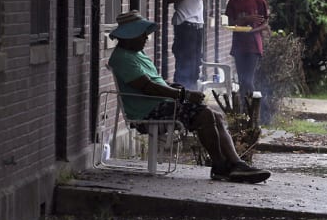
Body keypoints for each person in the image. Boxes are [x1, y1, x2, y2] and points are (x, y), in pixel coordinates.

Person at [107, 10, 271, 184]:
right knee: (204, 115)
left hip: (161, 104)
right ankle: (220, 166)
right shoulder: (122, 58)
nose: (146, 38)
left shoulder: (136, 54)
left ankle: (236, 164)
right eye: (142, 34)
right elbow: (147, 87)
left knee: (216, 116)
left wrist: (173, 87)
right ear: (128, 36)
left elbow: (156, 83)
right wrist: (183, 94)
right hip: (148, 111)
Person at [225, 0, 269, 106]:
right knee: (242, 80)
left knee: (248, 79)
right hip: (239, 46)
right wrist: (245, 20)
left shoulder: (259, 1)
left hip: (254, 46)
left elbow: (265, 24)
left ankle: (252, 110)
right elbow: (230, 23)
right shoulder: (233, 2)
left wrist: (252, 31)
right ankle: (245, 112)